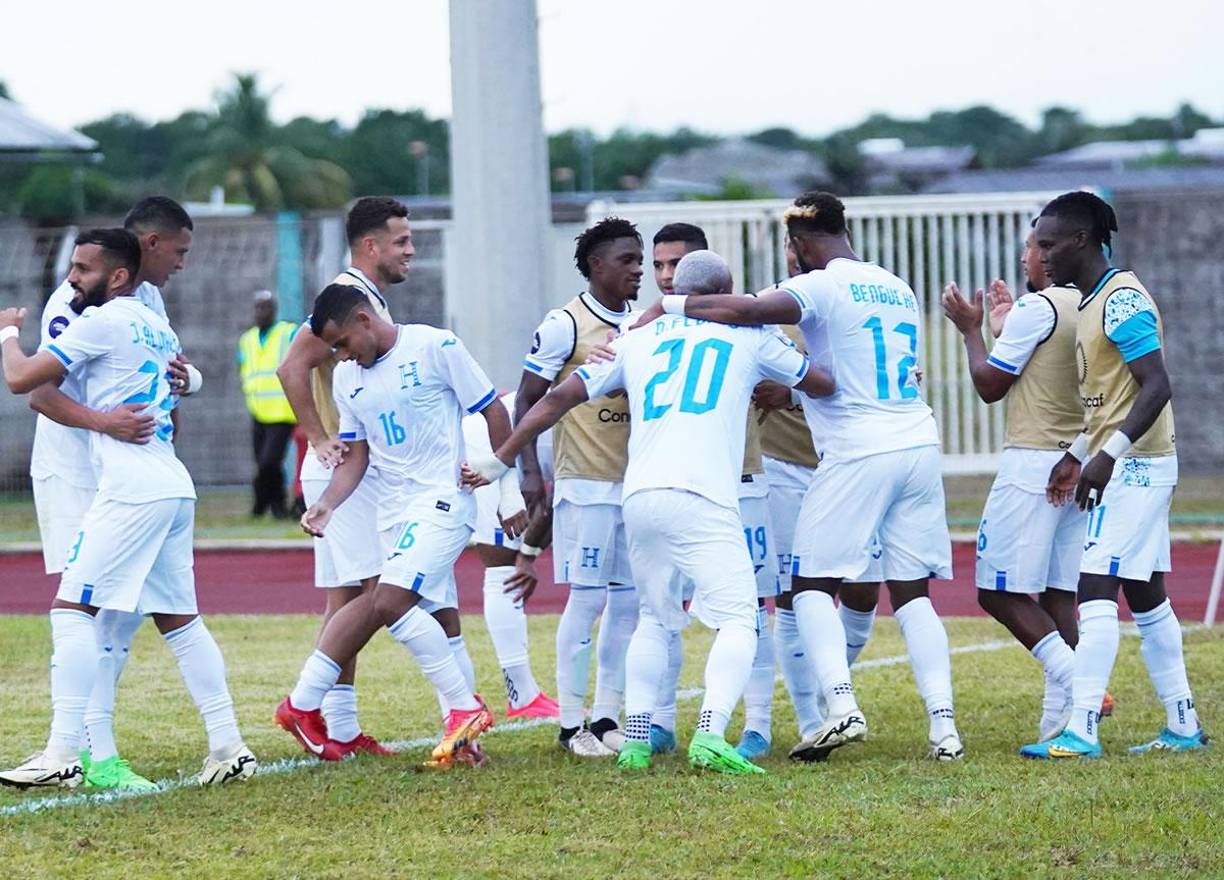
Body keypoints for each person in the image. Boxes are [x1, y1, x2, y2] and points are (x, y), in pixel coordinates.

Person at [465, 249, 835, 774]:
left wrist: (502, 457)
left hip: (639, 495)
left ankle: (636, 741)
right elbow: (821, 383)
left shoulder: (633, 338)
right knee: (739, 620)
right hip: (703, 494)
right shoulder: (750, 336)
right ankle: (710, 735)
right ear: (726, 293)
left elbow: (555, 400)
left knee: (654, 619)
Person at [633, 192, 963, 762]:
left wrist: (670, 304)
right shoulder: (896, 286)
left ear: (801, 243)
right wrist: (790, 395)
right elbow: (860, 364)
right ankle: (945, 728)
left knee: (808, 586)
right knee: (912, 594)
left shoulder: (823, 283)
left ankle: (841, 707)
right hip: (917, 441)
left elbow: (747, 311)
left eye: (791, 249)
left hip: (858, 449)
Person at [0, 229, 256, 790]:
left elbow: (23, 380)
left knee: (72, 610)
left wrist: (8, 331)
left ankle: (61, 753)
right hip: (171, 482)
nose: (72, 278)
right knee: (180, 620)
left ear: (117, 276)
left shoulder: (100, 321)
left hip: (131, 487)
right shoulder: (156, 324)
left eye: (83, 269)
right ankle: (229, 746)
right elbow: (178, 387)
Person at [276, 285, 522, 767]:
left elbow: (493, 410)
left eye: (343, 343)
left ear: (364, 320)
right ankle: (465, 744)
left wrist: (506, 490)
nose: (341, 355)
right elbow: (357, 456)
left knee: (389, 602)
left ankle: (464, 708)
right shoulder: (348, 378)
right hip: (391, 514)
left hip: (443, 502)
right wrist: (326, 504)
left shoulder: (436, 346)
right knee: (441, 620)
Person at [1020, 192, 1207, 759]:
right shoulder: (1091, 300)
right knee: (1147, 597)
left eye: (1049, 244)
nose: (1041, 255)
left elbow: (1157, 384)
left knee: (1094, 587)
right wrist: (1080, 451)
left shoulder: (1121, 300)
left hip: (1138, 467)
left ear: (1081, 240)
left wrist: (1107, 457)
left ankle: (1082, 728)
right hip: (1131, 462)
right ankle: (1183, 725)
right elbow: (1112, 400)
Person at [24, 198, 198, 790]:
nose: (181, 263)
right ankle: (85, 752)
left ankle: (88, 749)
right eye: (178, 251)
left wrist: (187, 382)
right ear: (149, 245)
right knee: (85, 607)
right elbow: (41, 391)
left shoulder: (145, 303)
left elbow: (167, 375)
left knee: (118, 615)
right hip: (75, 470)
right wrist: (105, 424)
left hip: (127, 473)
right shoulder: (73, 302)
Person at [274, 197, 416, 757]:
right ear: (370, 246)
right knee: (383, 593)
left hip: (345, 472)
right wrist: (316, 436)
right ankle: (303, 705)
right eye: (401, 241)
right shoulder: (343, 295)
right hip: (342, 472)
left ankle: (338, 727)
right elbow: (290, 366)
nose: (410, 250)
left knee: (346, 600)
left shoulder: (368, 298)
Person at [942, 230, 1095, 742]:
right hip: (1077, 459)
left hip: (1033, 462)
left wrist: (971, 331)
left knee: (996, 591)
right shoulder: (1089, 301)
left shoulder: (1038, 307)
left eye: (1032, 246)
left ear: (1049, 254)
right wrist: (1004, 330)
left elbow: (990, 385)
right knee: (1058, 593)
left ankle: (1082, 684)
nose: (1026, 256)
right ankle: (1063, 721)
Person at [639, 221, 781, 760]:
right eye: (658, 265)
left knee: (752, 607)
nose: (666, 275)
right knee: (660, 609)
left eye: (676, 264)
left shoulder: (748, 325)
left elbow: (802, 379)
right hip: (674, 486)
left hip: (740, 481)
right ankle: (658, 722)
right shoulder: (646, 330)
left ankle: (758, 725)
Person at [514, 217, 644, 757]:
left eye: (640, 260)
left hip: (635, 484)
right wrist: (529, 472)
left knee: (628, 604)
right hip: (585, 483)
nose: (639, 270)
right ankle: (571, 725)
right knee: (587, 600)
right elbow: (527, 400)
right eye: (627, 260)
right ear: (596, 266)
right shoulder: (564, 323)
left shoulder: (641, 323)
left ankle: (608, 716)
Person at [461, 392, 560, 720]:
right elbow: (556, 500)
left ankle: (523, 695)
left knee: (513, 560)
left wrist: (530, 554)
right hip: (491, 442)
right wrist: (527, 556)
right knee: (503, 562)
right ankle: (521, 694)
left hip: (523, 444)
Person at [238, 290, 299, 518]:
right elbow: (244, 368)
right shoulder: (247, 339)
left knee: (268, 462)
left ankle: (259, 506)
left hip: (282, 411)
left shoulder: (287, 333)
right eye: (258, 307)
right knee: (265, 464)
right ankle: (277, 507)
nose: (261, 312)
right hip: (258, 410)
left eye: (266, 307)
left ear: (274, 310)